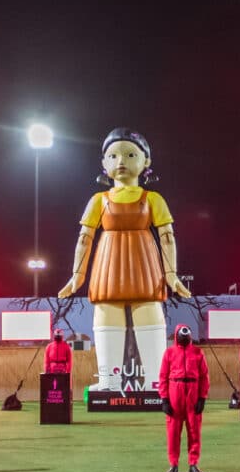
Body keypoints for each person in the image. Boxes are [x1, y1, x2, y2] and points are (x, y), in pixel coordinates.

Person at [57, 128, 192, 392]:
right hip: (108, 265)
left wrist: (171, 274)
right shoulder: (98, 200)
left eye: (130, 155)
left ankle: (155, 382)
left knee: (150, 312)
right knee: (107, 313)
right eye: (113, 156)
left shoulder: (153, 199)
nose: (121, 162)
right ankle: (109, 381)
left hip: (145, 264)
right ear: (104, 163)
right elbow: (84, 239)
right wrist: (77, 276)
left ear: (146, 162)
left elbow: (167, 238)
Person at [159, 325, 209, 472]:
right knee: (173, 432)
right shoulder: (169, 353)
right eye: (182, 336)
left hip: (193, 391)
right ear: (177, 336)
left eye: (187, 336)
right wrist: (165, 399)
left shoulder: (198, 352)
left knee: (195, 431)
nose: (185, 338)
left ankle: (193, 464)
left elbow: (204, 377)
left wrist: (202, 398)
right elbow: (163, 376)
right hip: (175, 391)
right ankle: (173, 464)